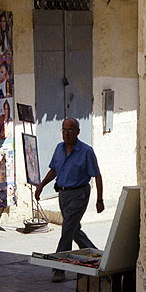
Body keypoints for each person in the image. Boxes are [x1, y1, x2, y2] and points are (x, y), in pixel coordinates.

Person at [35, 118, 104, 282]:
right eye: (64, 130)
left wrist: (99, 199)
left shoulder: (86, 151)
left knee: (67, 229)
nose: (66, 134)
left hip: (79, 194)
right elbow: (54, 170)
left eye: (70, 130)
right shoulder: (59, 148)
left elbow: (97, 175)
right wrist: (41, 185)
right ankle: (94, 253)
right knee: (73, 229)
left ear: (78, 132)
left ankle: (59, 268)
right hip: (63, 194)